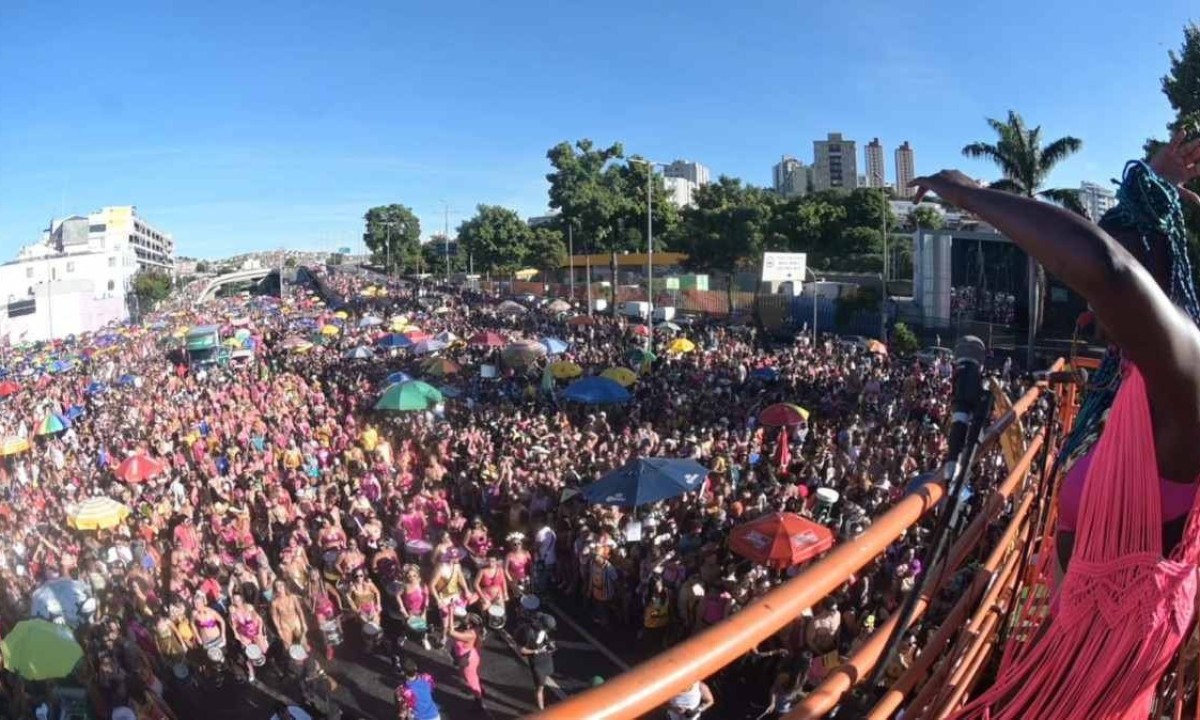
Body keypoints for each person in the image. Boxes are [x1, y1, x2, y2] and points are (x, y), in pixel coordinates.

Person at [909, 164, 1200, 718]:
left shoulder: (1188, 377)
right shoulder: (1135, 377)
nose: (1090, 314)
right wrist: (1147, 190)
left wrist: (973, 196)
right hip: (1079, 632)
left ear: (1153, 285)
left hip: (1107, 654)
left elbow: (1110, 270)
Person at [517, 611, 557, 710]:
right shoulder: (529, 633)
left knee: (547, 674)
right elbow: (521, 649)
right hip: (537, 662)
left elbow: (544, 638)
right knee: (540, 687)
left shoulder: (543, 631)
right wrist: (536, 651)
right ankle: (541, 709)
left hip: (545, 657)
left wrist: (549, 644)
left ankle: (542, 689)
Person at [446, 608, 485, 706]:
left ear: (471, 624)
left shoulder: (470, 634)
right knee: (468, 676)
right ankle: (479, 690)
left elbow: (451, 632)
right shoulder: (470, 630)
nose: (464, 622)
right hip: (466, 657)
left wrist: (450, 612)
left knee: (472, 681)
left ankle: (478, 699)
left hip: (468, 660)